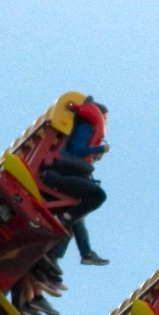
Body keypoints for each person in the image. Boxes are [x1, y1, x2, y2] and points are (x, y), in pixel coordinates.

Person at [41, 98, 110, 266]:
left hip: (57, 174)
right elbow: (76, 149)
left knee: (78, 214)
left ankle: (57, 256)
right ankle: (65, 221)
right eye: (105, 119)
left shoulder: (82, 128)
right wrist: (100, 149)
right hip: (57, 175)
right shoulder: (86, 127)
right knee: (98, 196)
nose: (105, 123)